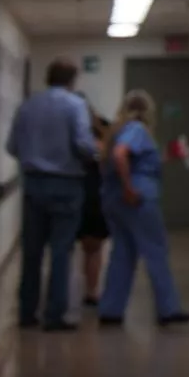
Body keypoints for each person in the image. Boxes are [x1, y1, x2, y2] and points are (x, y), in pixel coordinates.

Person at [4, 59, 98, 330]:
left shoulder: (28, 105)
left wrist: (35, 156)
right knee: (60, 251)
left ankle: (27, 312)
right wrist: (93, 155)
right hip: (66, 185)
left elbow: (12, 146)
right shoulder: (75, 105)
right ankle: (55, 315)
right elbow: (82, 143)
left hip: (33, 184)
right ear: (72, 80)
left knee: (32, 252)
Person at [97, 90, 189, 327]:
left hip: (113, 201)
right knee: (155, 251)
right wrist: (129, 188)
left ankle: (111, 310)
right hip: (137, 201)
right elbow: (121, 156)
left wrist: (166, 157)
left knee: (122, 253)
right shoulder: (137, 129)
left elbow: (127, 159)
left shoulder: (116, 131)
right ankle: (168, 309)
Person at [77, 101, 111, 306]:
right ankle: (90, 291)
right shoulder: (101, 131)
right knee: (92, 247)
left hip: (91, 192)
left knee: (92, 246)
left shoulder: (102, 130)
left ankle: (90, 290)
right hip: (90, 192)